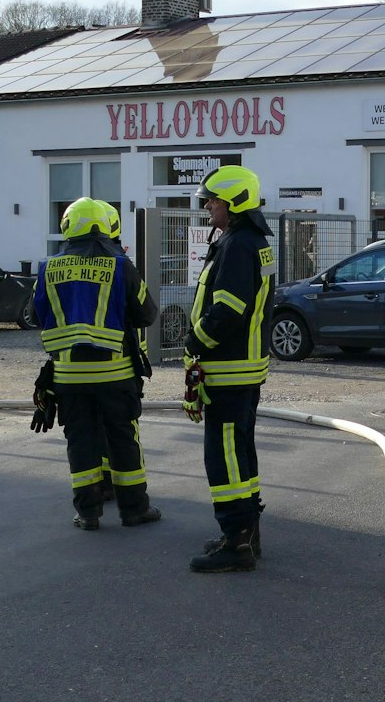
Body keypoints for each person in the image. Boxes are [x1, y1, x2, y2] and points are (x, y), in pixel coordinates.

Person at [34, 198, 159, 531]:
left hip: (68, 375)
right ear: (106, 226)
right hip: (116, 374)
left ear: (67, 226)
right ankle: (134, 510)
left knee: (81, 442)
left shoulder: (48, 268)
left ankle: (88, 513)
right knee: (122, 439)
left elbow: (36, 315)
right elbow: (147, 314)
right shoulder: (120, 266)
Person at [184, 166, 275, 573]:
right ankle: (247, 535)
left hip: (229, 368)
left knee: (224, 457)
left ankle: (236, 541)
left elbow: (228, 310)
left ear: (234, 203)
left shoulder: (237, 245)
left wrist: (194, 342)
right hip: (244, 368)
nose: (207, 206)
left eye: (212, 200)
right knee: (240, 453)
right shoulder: (252, 242)